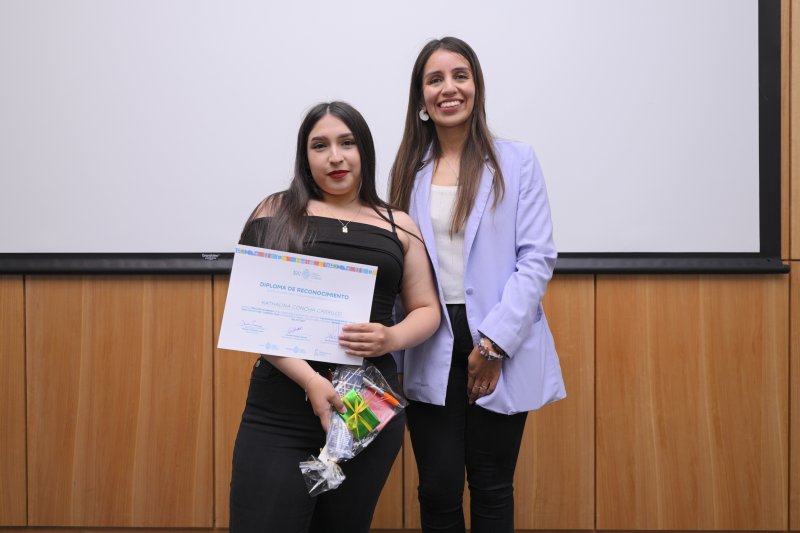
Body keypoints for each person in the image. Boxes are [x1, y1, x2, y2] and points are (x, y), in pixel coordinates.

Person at [229, 101, 440, 533]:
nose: (335, 157)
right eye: (320, 145)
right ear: (305, 156)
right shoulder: (273, 211)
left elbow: (427, 309)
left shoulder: (398, 225)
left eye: (347, 143)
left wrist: (391, 338)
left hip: (365, 405)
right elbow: (250, 313)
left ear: (364, 150)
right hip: (280, 406)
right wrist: (310, 380)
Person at [389, 37, 567, 533]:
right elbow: (400, 265)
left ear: (476, 86)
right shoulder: (407, 171)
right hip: (429, 337)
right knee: (437, 488)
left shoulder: (517, 161)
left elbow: (536, 258)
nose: (449, 88)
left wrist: (494, 345)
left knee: (492, 486)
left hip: (499, 334)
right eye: (435, 79)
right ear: (421, 97)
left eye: (460, 76)